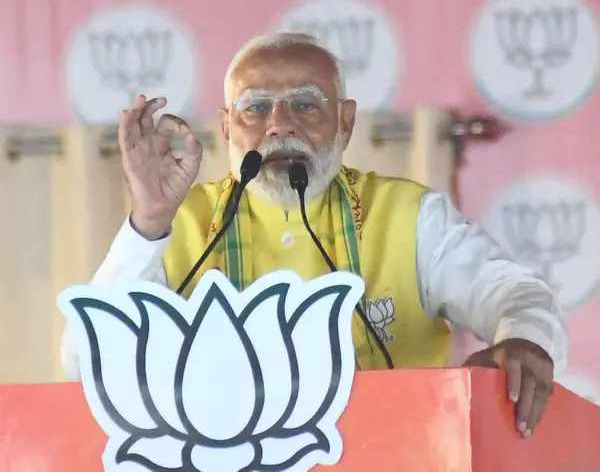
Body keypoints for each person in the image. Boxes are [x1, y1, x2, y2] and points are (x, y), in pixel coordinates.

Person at [61, 32, 568, 439]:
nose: (280, 126)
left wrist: (524, 340)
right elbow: (86, 364)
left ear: (345, 124)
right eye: (256, 108)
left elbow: (515, 293)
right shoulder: (177, 222)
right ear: (226, 130)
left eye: (306, 105)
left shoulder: (408, 215)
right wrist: (148, 221)